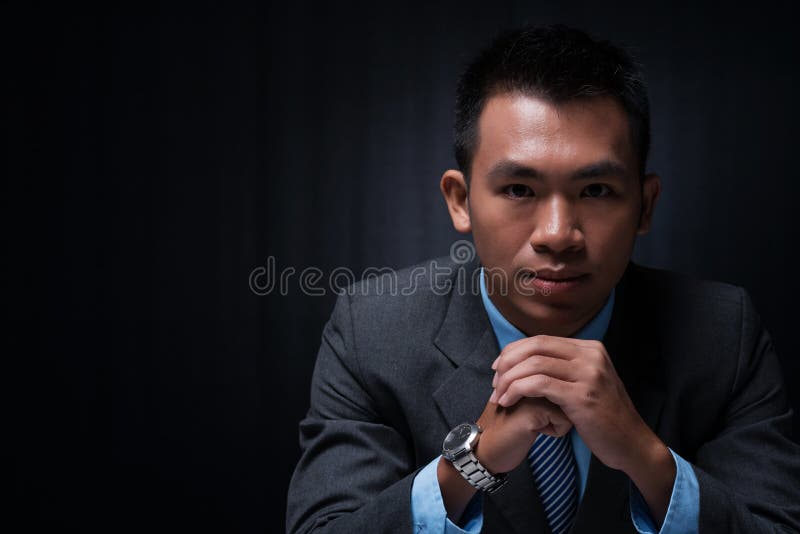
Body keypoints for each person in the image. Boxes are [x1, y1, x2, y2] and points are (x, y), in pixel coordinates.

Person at [286, 25, 800, 533]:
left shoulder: (722, 333)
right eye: (518, 189)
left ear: (644, 205)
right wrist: (473, 462)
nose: (558, 235)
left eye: (596, 190)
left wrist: (644, 455)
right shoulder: (372, 333)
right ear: (460, 201)